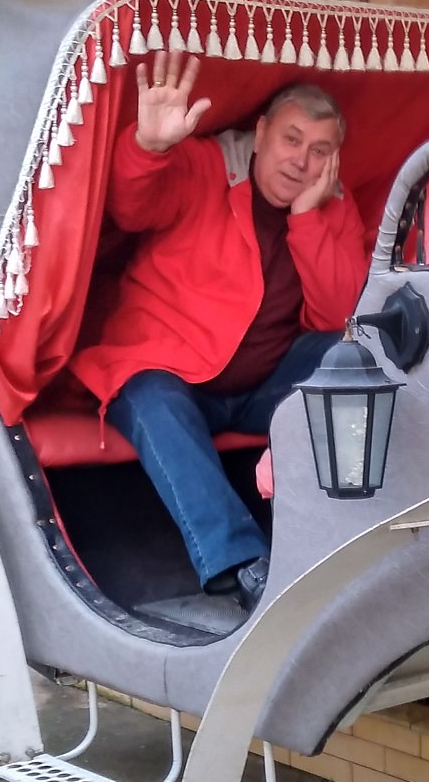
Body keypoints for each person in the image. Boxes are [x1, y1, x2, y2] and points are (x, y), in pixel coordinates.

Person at [73, 55, 368, 607]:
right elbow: (130, 207)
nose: (301, 161)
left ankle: (347, 543)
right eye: (291, 139)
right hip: (168, 371)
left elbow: (340, 315)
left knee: (352, 355)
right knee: (152, 397)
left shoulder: (333, 205)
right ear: (261, 132)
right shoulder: (208, 165)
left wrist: (307, 218)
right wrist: (149, 146)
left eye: (319, 150)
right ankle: (245, 566)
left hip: (263, 385)